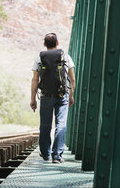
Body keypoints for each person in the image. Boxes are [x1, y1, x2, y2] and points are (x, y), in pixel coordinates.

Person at [30, 33, 76, 163]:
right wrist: (71, 96)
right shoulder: (65, 57)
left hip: (46, 95)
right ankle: (57, 156)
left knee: (45, 125)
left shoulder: (39, 57)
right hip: (62, 95)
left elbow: (35, 79)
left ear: (44, 44)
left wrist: (33, 99)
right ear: (57, 43)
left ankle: (45, 153)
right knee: (61, 124)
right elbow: (72, 79)